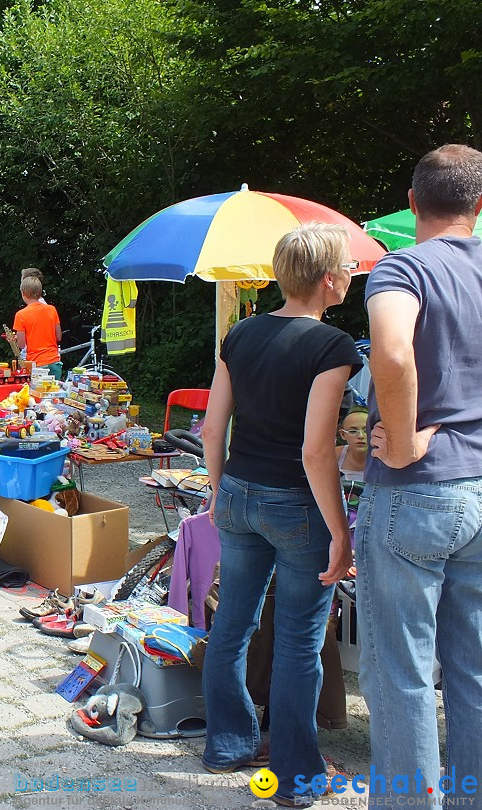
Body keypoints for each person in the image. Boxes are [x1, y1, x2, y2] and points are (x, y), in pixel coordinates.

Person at [199, 223, 360, 807]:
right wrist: (341, 531)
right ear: (326, 279)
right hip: (297, 504)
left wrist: (220, 490)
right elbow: (316, 452)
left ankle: (227, 745)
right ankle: (296, 777)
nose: (351, 274)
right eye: (345, 266)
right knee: (297, 642)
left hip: (239, 492)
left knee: (233, 624)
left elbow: (214, 427)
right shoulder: (332, 347)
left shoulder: (240, 335)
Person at [356, 144, 482, 804]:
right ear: (478, 207)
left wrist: (402, 443)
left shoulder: (401, 267)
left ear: (412, 203)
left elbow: (393, 350)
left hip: (417, 494)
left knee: (400, 674)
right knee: (473, 673)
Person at [13, 274, 62, 378]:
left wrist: (15, 339)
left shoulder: (21, 315)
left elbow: (21, 345)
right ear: (40, 293)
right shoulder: (52, 310)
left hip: (36, 364)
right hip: (54, 361)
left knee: (37, 393)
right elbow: (58, 337)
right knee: (55, 393)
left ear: (23, 293)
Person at [337, 406, 367, 482]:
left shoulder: (385, 457)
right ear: (343, 434)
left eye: (367, 431)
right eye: (353, 431)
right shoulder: (336, 455)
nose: (360, 436)